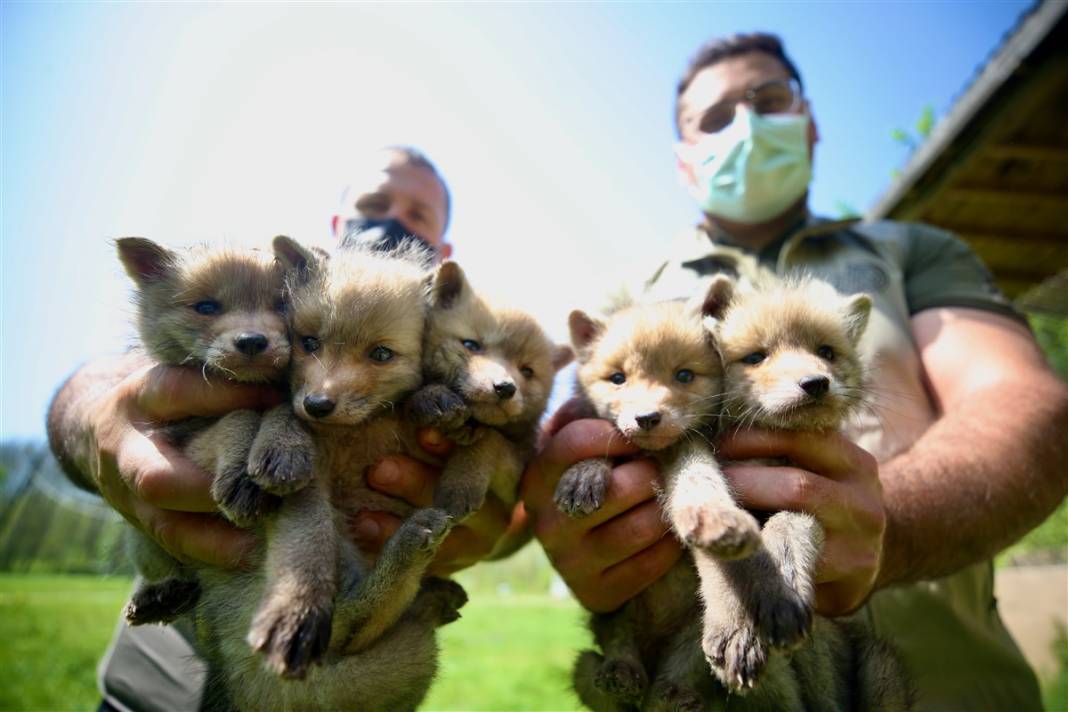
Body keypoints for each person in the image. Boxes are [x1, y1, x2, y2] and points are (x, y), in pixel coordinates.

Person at [517, 33, 1068, 710]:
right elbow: (544, 451)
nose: (745, 126)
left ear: (809, 123)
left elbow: (1027, 403)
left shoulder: (910, 249)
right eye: (714, 120)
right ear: (685, 161)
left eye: (768, 101)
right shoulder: (628, 304)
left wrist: (886, 524)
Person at [47, 145, 514, 711]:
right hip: (156, 686)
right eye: (374, 202)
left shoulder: (453, 330)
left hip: (353, 657)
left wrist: (492, 522)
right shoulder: (266, 283)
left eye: (417, 215)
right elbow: (123, 372)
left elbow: (512, 466)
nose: (391, 219)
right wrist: (93, 417)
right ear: (334, 227)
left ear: (441, 259)